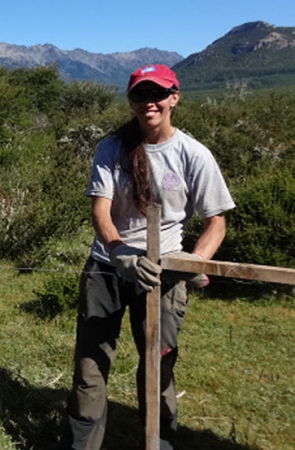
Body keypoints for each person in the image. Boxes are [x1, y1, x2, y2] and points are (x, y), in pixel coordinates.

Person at [58, 64, 235, 450]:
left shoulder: (193, 155)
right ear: (131, 101)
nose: (149, 102)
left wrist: (195, 263)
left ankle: (160, 441)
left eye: (157, 94)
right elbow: (100, 210)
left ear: (174, 98)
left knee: (159, 362)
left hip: (164, 273)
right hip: (108, 268)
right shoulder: (111, 147)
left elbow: (215, 222)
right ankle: (82, 444)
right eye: (140, 94)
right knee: (90, 363)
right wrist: (118, 250)